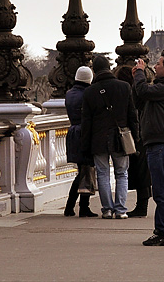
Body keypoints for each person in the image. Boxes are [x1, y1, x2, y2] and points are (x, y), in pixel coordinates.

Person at [132, 52, 164, 246]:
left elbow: (144, 91)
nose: (155, 66)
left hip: (161, 147)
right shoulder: (162, 88)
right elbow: (140, 100)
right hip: (161, 145)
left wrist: (140, 73)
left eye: (159, 64)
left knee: (161, 193)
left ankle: (163, 233)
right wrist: (137, 78)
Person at [81, 54, 138, 219]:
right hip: (120, 138)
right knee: (122, 173)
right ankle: (120, 209)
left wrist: (85, 146)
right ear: (109, 67)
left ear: (95, 70)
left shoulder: (89, 92)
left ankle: (107, 209)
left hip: (98, 139)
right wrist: (135, 137)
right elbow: (132, 116)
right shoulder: (124, 87)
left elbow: (86, 123)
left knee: (103, 173)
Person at [116, 64, 150, 218]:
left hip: (134, 135)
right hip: (143, 133)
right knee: (142, 171)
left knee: (138, 171)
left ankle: (141, 206)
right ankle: (142, 204)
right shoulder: (137, 91)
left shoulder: (127, 93)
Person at [64, 65, 97, 217]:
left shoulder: (69, 93)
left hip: (73, 132)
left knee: (82, 170)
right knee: (86, 171)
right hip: (84, 133)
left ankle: (74, 206)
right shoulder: (88, 94)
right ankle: (78, 206)